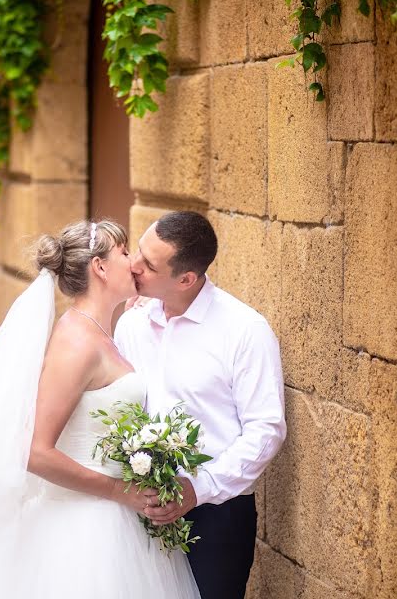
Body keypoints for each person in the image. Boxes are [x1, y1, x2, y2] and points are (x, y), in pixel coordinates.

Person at [0, 220, 200, 599]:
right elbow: (33, 451)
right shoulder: (76, 343)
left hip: (118, 519)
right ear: (99, 267)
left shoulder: (99, 332)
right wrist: (120, 491)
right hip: (86, 528)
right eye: (124, 252)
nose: (133, 263)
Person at [115, 211, 286, 599]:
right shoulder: (131, 324)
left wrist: (197, 488)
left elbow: (266, 429)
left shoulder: (245, 331)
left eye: (149, 263)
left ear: (186, 279)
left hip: (215, 517)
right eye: (138, 251)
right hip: (137, 510)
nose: (133, 265)